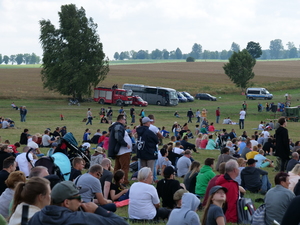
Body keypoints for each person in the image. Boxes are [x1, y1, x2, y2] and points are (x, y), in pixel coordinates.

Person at [28, 181, 128, 225]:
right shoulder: (79, 218)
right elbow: (121, 223)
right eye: (79, 198)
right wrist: (97, 210)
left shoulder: (36, 217)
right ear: (66, 202)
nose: (81, 201)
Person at [108, 115, 132, 185]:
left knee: (117, 167)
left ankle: (116, 181)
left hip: (119, 151)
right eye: (124, 119)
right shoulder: (119, 126)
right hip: (123, 151)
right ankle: (124, 181)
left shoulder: (116, 126)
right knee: (124, 167)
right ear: (121, 120)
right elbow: (118, 137)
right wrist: (125, 144)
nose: (125, 121)